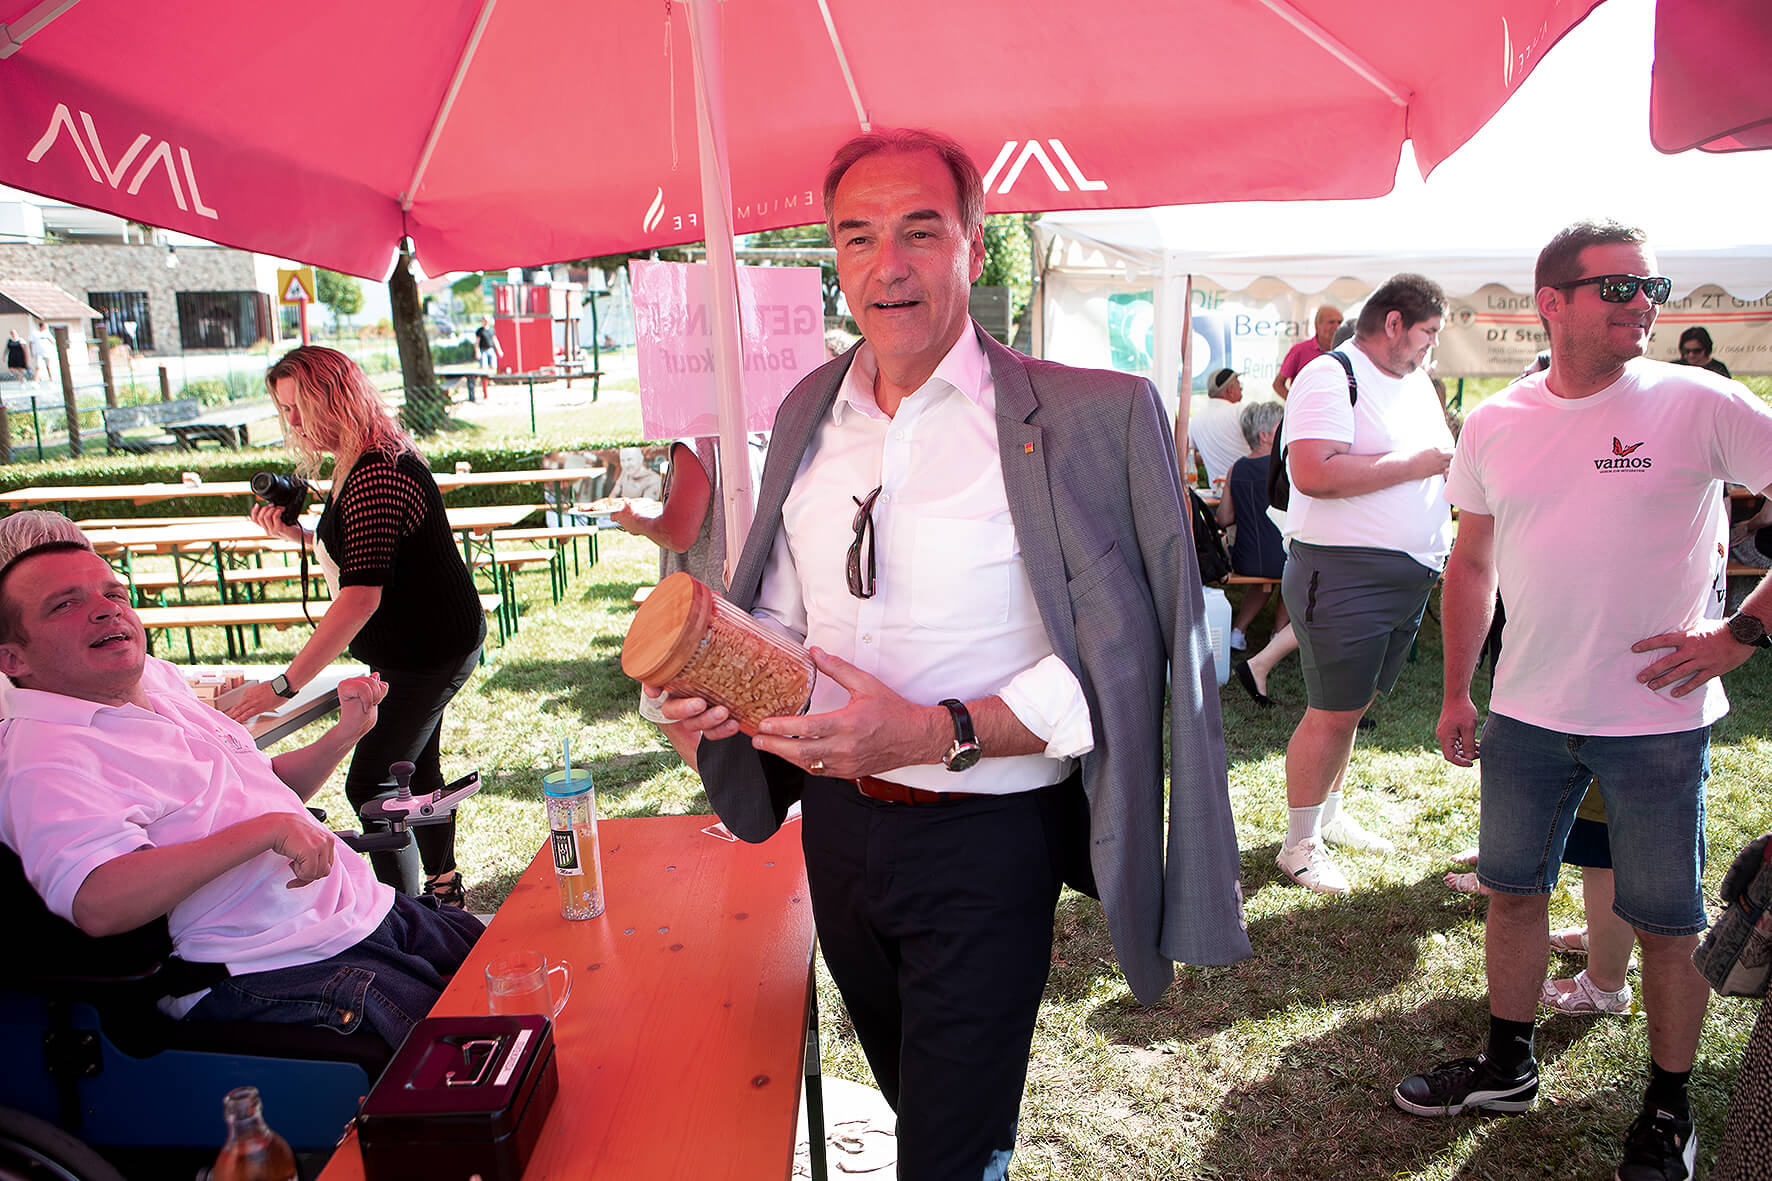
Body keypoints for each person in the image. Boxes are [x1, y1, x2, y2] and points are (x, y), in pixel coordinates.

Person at [655, 128, 1250, 1179]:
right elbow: (784, 620)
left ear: (975, 244)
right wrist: (722, 687)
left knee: (942, 1150)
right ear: (833, 256)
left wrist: (934, 729)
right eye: (857, 236)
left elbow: (1133, 651)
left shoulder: (1091, 416)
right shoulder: (806, 411)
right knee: (918, 1096)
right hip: (834, 836)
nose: (887, 264)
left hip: (988, 840)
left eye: (919, 231)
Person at [1393, 219, 1772, 1181]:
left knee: (1666, 918)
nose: (1643, 303)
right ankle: (1509, 1063)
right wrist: (1457, 689)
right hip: (1525, 712)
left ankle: (1667, 1107)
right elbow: (1472, 560)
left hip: (1655, 719)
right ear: (1550, 303)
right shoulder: (1497, 420)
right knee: (1511, 891)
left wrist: (1739, 636)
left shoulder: (1699, 401)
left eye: (1653, 286)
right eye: (1619, 288)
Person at [0, 542, 484, 1047]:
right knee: (489, 1055)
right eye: (65, 604)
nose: (107, 608)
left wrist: (344, 734)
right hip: (269, 965)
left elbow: (262, 789)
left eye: (114, 592)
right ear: (12, 657)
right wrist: (267, 832)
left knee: (540, 973)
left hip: (363, 912)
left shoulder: (156, 680)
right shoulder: (45, 758)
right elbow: (97, 902)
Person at [229, 346, 485, 907]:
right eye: (284, 409)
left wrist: (283, 685)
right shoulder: (363, 455)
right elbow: (369, 554)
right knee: (411, 769)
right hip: (419, 648)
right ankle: (444, 893)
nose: (292, 422)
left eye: (299, 407)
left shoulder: (375, 470)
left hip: (429, 651)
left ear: (333, 398)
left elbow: (360, 597)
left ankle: (406, 916)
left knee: (374, 787)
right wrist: (298, 538)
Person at [1273, 274, 1454, 892]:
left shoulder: (1414, 381)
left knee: (1354, 706)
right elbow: (1314, 473)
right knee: (1332, 710)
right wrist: (1423, 465)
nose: (1432, 348)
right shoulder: (1330, 374)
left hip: (1405, 573)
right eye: (1428, 334)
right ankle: (1299, 844)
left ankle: (1327, 816)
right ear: (1395, 323)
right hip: (1344, 570)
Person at [1217, 400, 1295, 684]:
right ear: (1265, 435)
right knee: (1294, 561)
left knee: (1267, 577)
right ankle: (1278, 632)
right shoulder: (1286, 467)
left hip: (1245, 559)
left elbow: (1224, 518)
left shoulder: (1235, 468)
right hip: (1282, 559)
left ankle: (1239, 631)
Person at [1187, 367, 1249, 489]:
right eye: (1238, 384)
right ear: (1230, 390)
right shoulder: (1238, 410)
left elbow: (1188, 456)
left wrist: (1210, 454)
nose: (1241, 388)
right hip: (1249, 490)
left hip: (1218, 495)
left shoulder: (1196, 419)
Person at [1273, 305, 1344, 399]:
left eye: (1339, 322)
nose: (1337, 326)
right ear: (1317, 325)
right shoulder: (1299, 350)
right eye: (1331, 322)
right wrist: (1295, 403)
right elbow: (1278, 385)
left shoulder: (1344, 353)